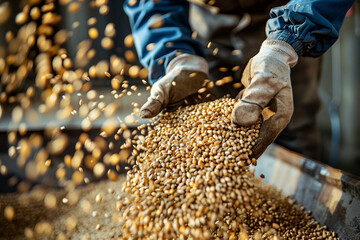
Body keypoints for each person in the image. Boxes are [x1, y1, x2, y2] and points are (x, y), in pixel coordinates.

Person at [123, 0, 355, 160]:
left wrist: (287, 43)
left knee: (289, 124)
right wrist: (173, 54)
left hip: (291, 13)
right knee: (205, 140)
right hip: (205, 23)